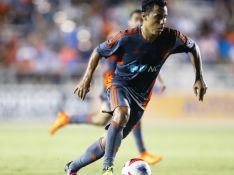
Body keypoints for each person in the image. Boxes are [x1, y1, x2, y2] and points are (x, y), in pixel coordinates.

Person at [67, 0, 207, 174]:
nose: (162, 21)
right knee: (122, 113)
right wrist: (86, 79)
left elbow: (194, 47)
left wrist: (199, 78)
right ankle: (107, 168)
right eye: (158, 17)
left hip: (141, 99)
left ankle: (72, 167)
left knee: (110, 141)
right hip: (120, 86)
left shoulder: (171, 38)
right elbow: (98, 51)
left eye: (164, 17)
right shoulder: (126, 38)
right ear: (144, 16)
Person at [49, 9, 164, 165]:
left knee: (100, 119)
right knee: (127, 113)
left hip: (124, 85)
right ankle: (143, 152)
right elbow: (108, 65)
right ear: (130, 21)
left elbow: (147, 63)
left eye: (140, 19)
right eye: (136, 19)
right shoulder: (122, 37)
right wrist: (110, 89)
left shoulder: (144, 39)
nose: (138, 22)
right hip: (115, 85)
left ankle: (66, 118)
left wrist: (160, 80)